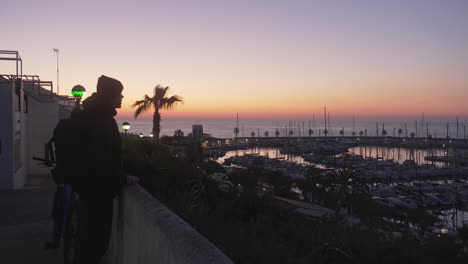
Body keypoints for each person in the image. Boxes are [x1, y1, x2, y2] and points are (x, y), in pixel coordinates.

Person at [75, 75, 137, 264]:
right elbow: (101, 160)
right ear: (110, 95)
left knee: (87, 241)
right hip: (97, 193)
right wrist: (123, 178)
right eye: (119, 94)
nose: (122, 98)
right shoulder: (102, 120)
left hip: (88, 190)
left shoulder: (92, 114)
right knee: (96, 243)